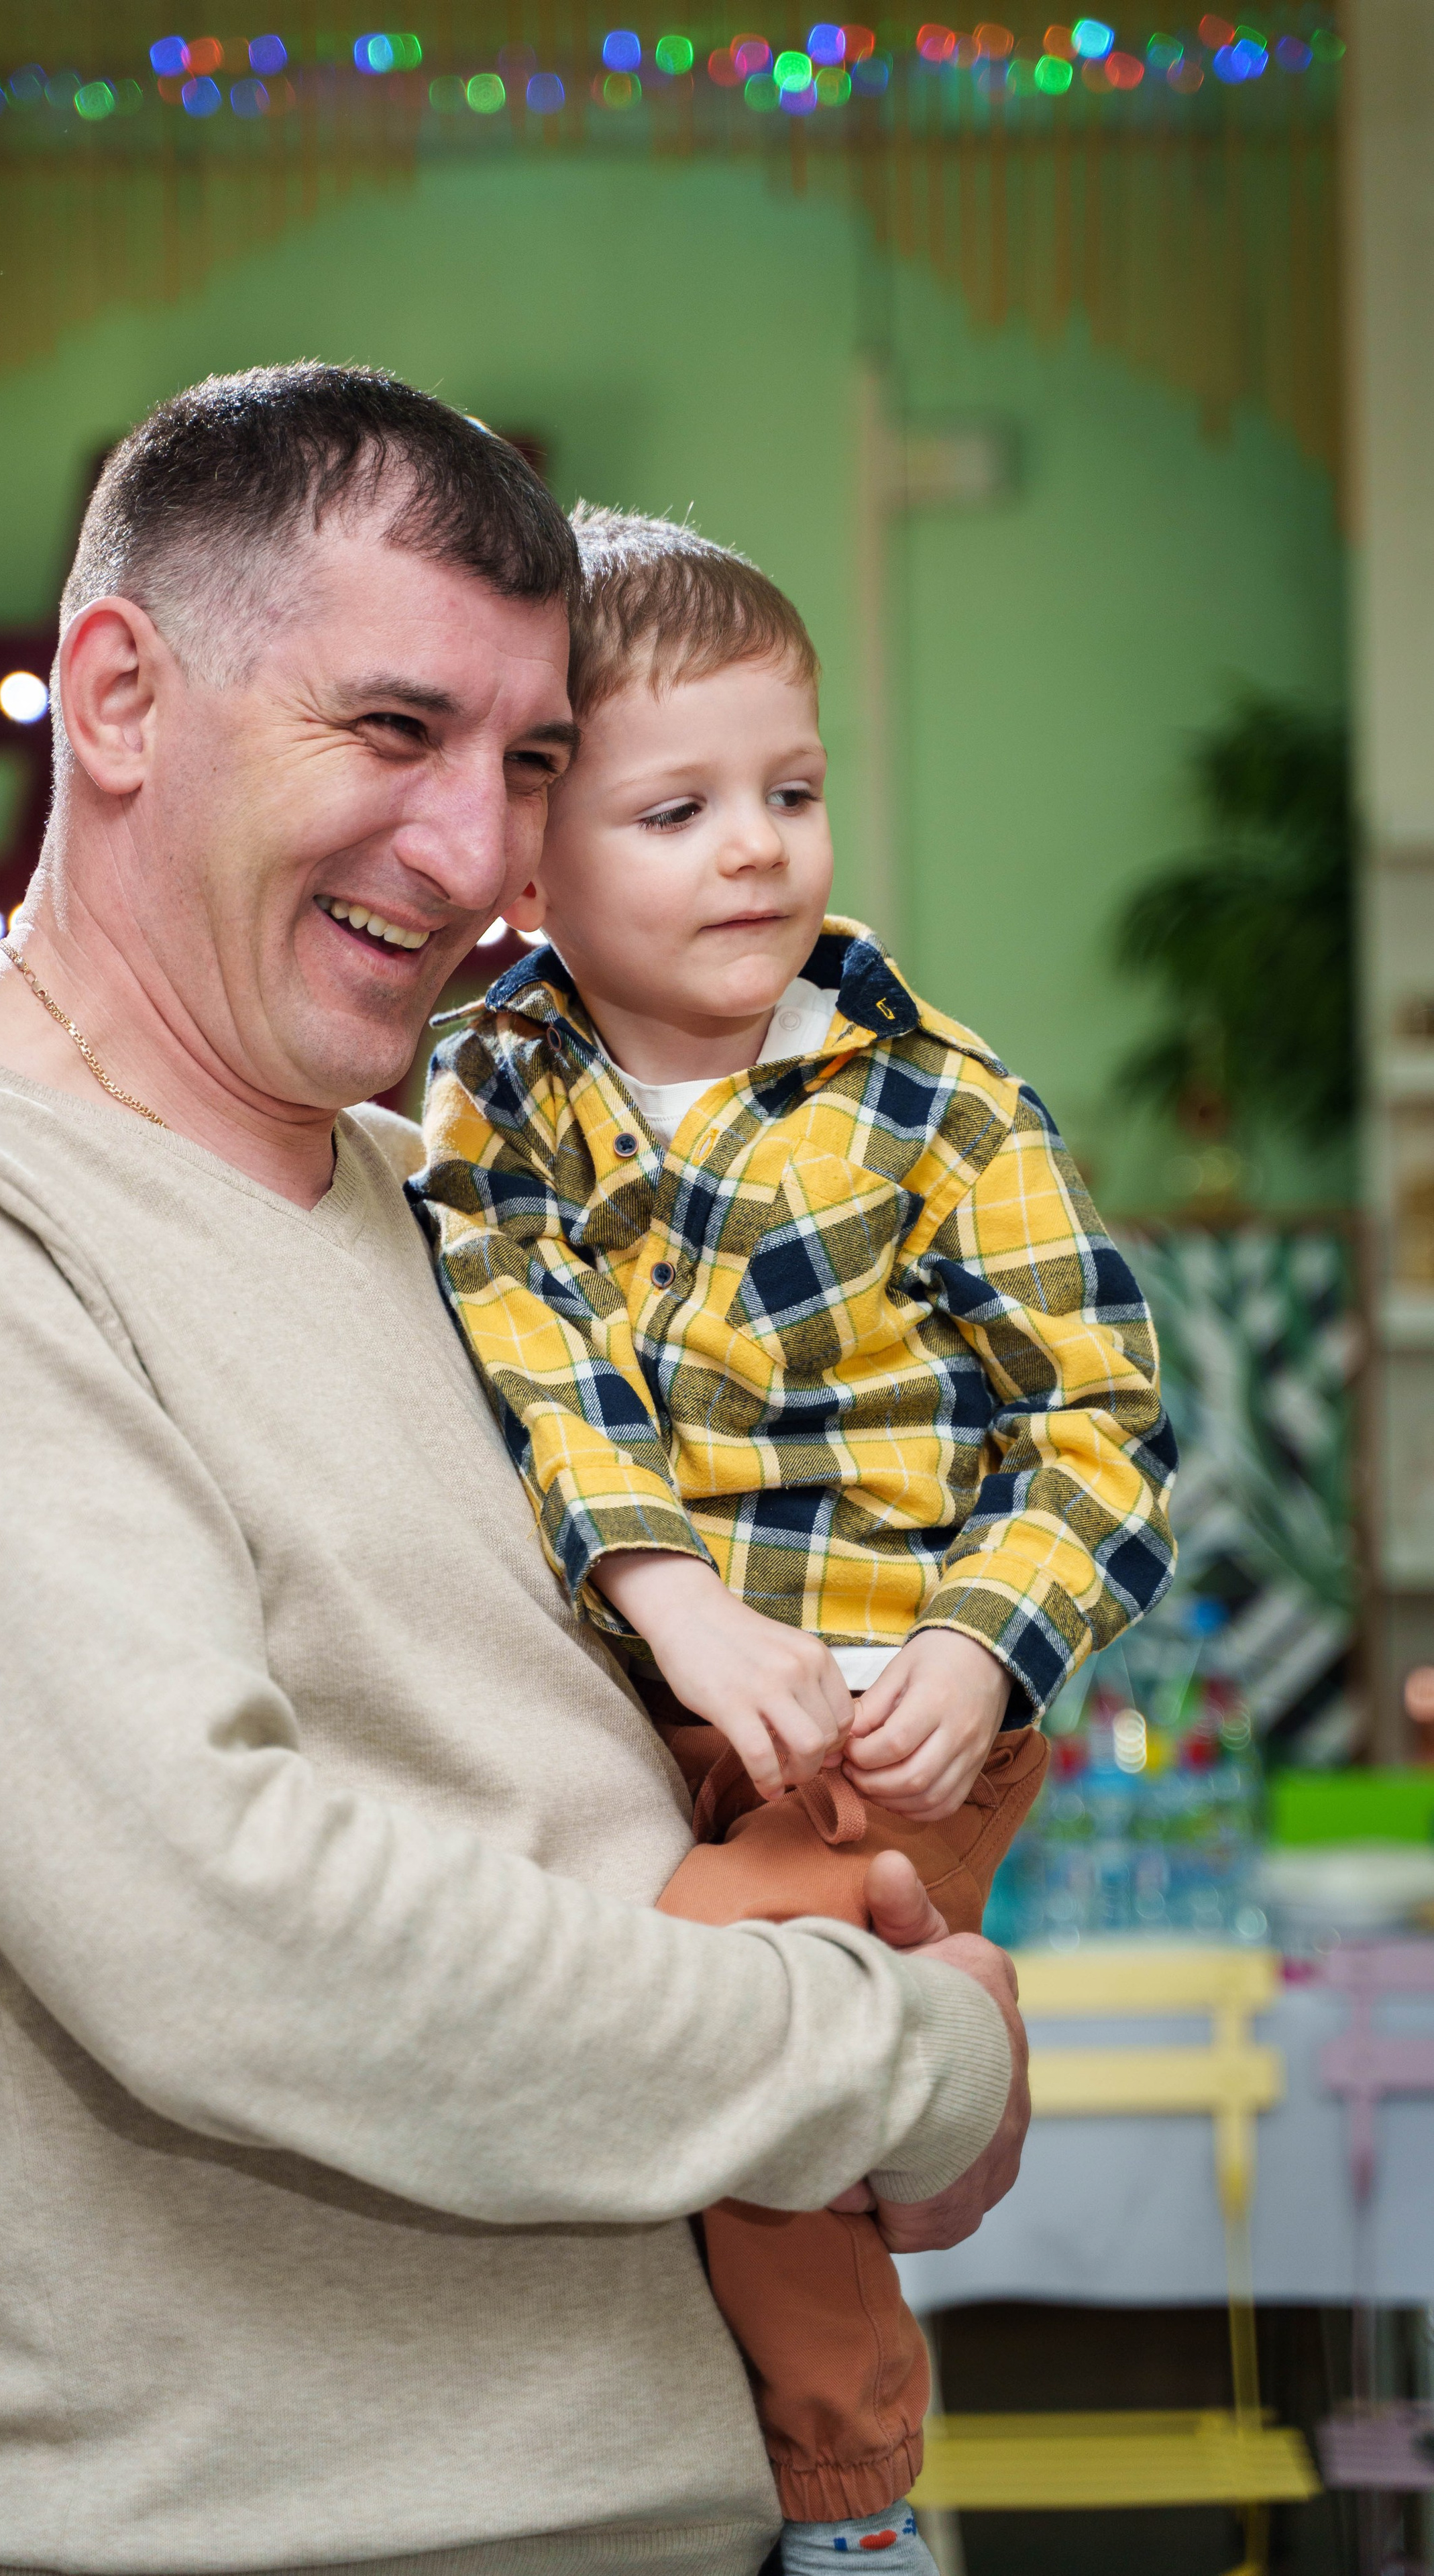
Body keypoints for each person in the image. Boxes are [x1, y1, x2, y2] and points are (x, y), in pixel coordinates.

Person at [0, 367, 1028, 2576]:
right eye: (393, 731)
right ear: (118, 698)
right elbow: (231, 1935)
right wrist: (899, 2061)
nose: (479, 855)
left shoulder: (466, 1214)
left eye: (530, 763)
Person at [414, 508, 1177, 2570]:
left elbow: (1104, 1421)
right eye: (678, 809)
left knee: (704, 2034)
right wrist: (670, 1609)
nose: (754, 847)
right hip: (661, 1703)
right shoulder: (490, 1093)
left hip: (879, 1716)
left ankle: (853, 2500)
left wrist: (977, 1656)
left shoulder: (939, 1107)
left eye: (793, 791)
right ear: (532, 849)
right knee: (653, 2097)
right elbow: (532, 1359)